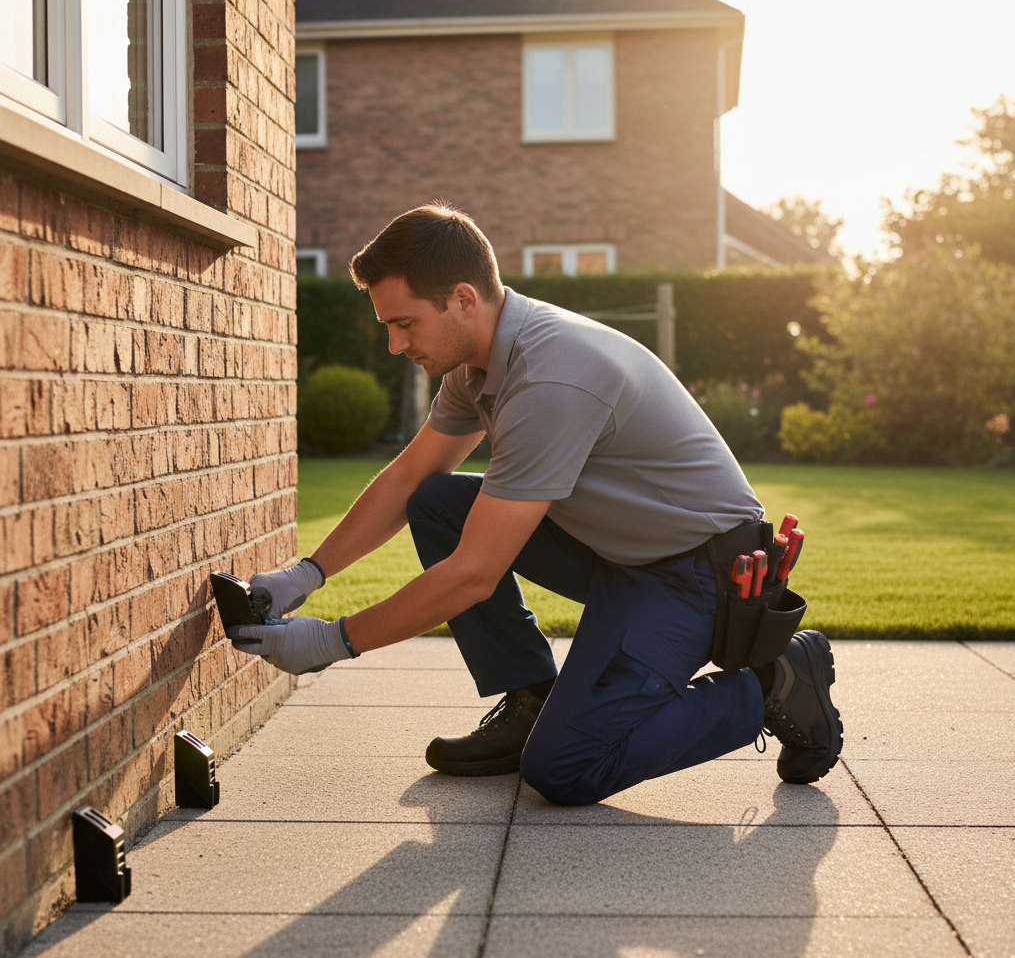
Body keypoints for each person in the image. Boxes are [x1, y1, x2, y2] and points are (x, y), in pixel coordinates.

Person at [228, 203, 842, 805]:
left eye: (405, 323)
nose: (394, 344)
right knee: (438, 500)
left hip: (695, 578)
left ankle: (771, 683)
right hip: (624, 551)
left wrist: (331, 643)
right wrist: (306, 575)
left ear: (463, 299)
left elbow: (472, 575)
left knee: (565, 769)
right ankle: (529, 701)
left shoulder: (550, 377)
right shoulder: (477, 365)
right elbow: (413, 474)